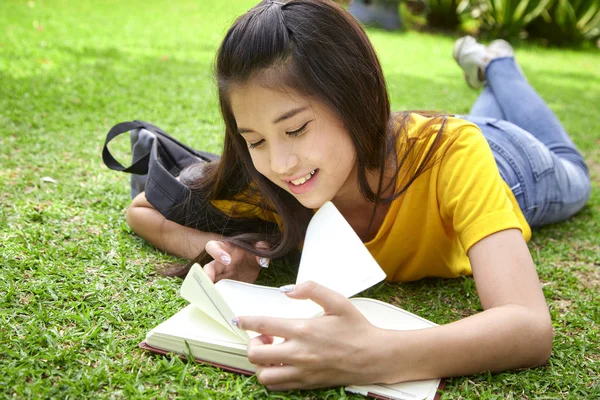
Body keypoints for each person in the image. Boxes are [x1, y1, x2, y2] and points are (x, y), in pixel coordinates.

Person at [125, 0, 591, 391]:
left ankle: (499, 64)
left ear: (356, 95)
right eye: (256, 139)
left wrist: (377, 354)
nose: (281, 161)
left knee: (574, 170)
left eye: (296, 128)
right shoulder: (273, 178)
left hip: (515, 169)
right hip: (441, 137)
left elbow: (528, 326)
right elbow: (142, 210)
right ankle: (487, 77)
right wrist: (234, 249)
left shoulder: (454, 154)